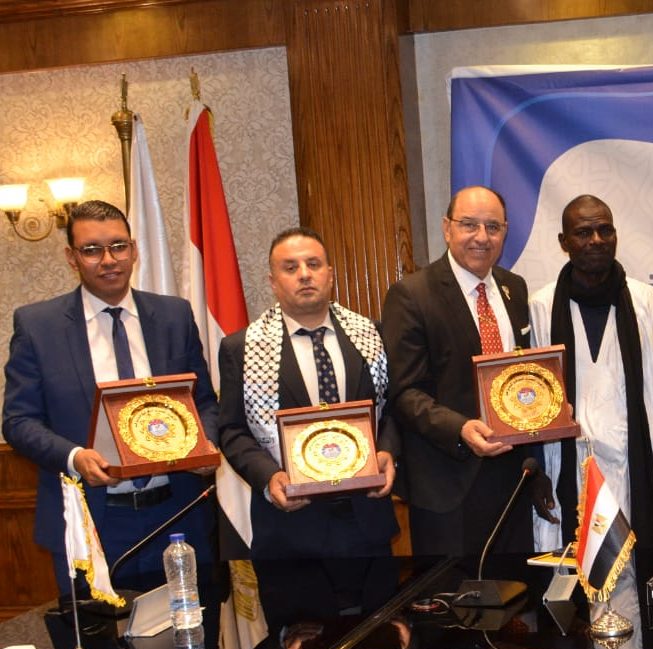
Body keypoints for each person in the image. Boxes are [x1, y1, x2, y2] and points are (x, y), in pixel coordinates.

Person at [3, 200, 219, 594]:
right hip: (91, 524)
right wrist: (74, 457)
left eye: (118, 246)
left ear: (134, 250)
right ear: (71, 257)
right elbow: (18, 421)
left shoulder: (174, 315)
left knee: (194, 647)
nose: (108, 260)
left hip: (178, 516)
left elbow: (204, 400)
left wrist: (206, 442)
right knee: (101, 647)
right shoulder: (38, 326)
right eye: (91, 250)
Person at [217, 227, 398, 559]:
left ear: (329, 275)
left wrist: (386, 452)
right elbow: (231, 429)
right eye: (290, 268)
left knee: (380, 613)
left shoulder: (372, 335)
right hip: (289, 529)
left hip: (367, 521)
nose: (304, 275)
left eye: (313, 264)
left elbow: (392, 410)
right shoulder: (240, 348)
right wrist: (269, 476)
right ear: (273, 281)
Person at [529, 194, 653, 550]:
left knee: (638, 567)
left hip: (637, 455)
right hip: (571, 462)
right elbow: (531, 401)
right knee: (580, 571)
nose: (596, 240)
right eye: (583, 232)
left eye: (605, 230)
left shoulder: (647, 302)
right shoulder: (542, 307)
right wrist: (538, 470)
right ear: (563, 242)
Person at [381, 186, 536, 556]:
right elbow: (403, 393)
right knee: (452, 607)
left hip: (513, 479)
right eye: (469, 225)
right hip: (447, 484)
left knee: (513, 602)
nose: (482, 237)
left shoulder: (515, 288)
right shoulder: (411, 295)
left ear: (505, 232)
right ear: (446, 228)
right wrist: (461, 428)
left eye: (493, 227)